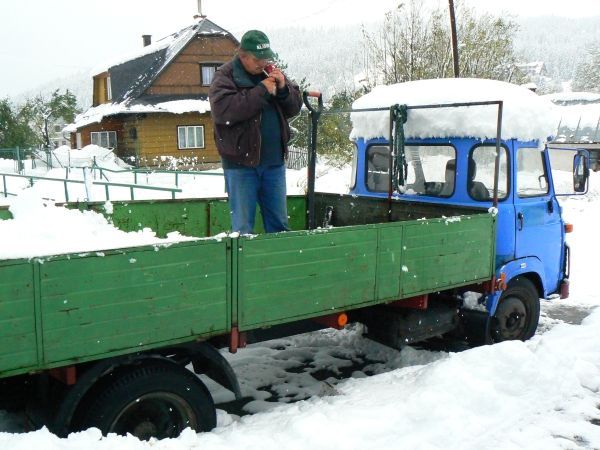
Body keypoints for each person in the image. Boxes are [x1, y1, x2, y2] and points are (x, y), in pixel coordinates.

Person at [208, 30, 303, 234]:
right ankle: (245, 265)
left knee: (279, 226)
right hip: (240, 165)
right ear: (243, 56)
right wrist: (261, 91)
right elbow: (224, 112)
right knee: (242, 230)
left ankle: (276, 264)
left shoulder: (271, 72)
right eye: (258, 59)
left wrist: (284, 89)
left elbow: (294, 107)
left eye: (266, 57)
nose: (263, 63)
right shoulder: (224, 76)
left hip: (274, 164)